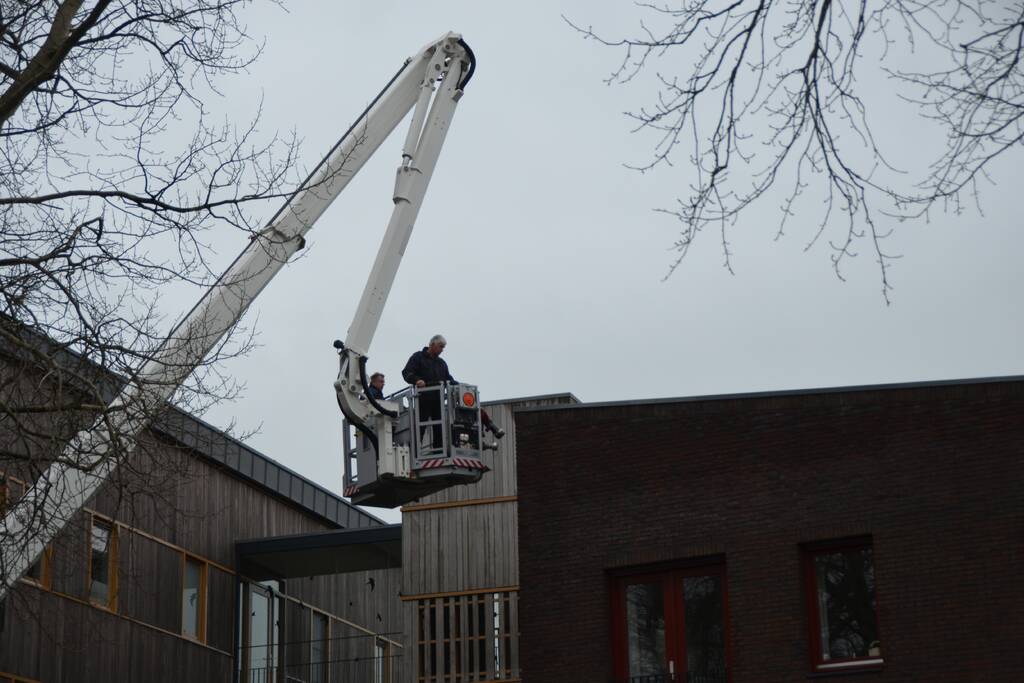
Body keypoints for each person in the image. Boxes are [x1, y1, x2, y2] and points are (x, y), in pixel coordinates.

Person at [402, 334, 505, 446]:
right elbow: (406, 372)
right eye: (441, 346)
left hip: (438, 400)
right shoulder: (418, 357)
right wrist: (417, 380)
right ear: (432, 344)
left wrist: (462, 386)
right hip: (422, 399)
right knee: (420, 428)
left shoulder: (441, 363)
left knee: (439, 429)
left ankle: (439, 450)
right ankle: (416, 452)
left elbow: (448, 380)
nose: (442, 350)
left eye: (443, 347)